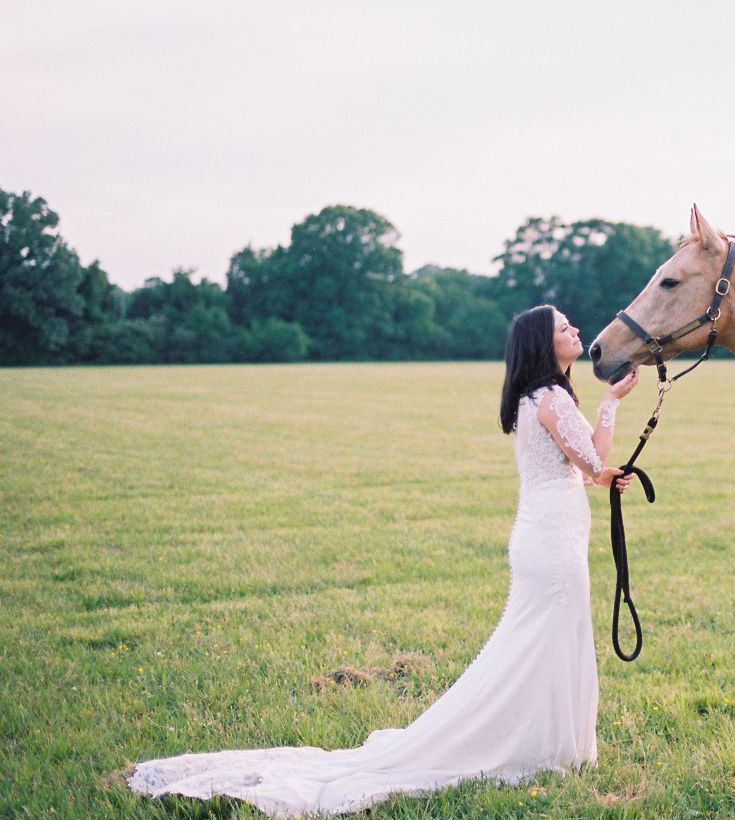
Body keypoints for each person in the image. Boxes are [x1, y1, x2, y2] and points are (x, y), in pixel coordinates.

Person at [127, 305, 638, 816]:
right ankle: (540, 746)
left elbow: (583, 470)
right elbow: (592, 464)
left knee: (537, 641)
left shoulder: (534, 399)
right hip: (552, 539)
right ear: (541, 345)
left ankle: (547, 742)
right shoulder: (551, 399)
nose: (574, 330)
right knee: (545, 640)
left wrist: (603, 469)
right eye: (563, 328)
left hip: (543, 532)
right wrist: (611, 402)